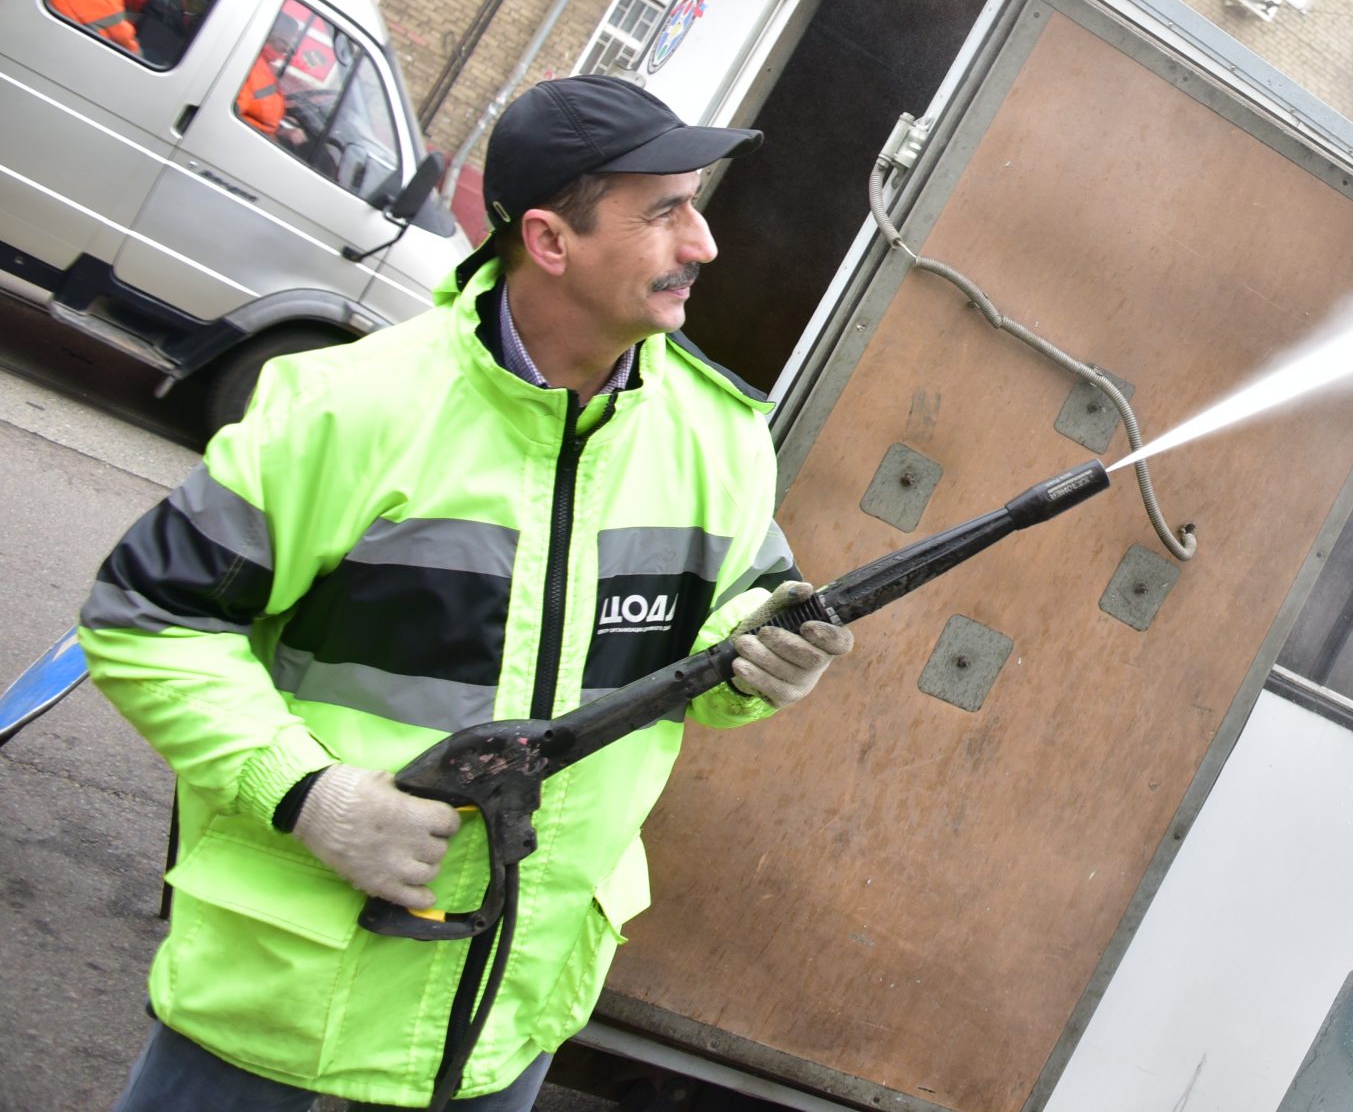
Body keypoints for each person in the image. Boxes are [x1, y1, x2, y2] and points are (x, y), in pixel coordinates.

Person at [79, 76, 854, 1110]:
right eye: (665, 210)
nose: (703, 242)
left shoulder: (720, 436)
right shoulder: (347, 407)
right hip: (282, 1005)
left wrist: (758, 662)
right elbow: (145, 617)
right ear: (548, 239)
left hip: (507, 1015)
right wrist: (307, 793)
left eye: (696, 204)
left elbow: (712, 652)